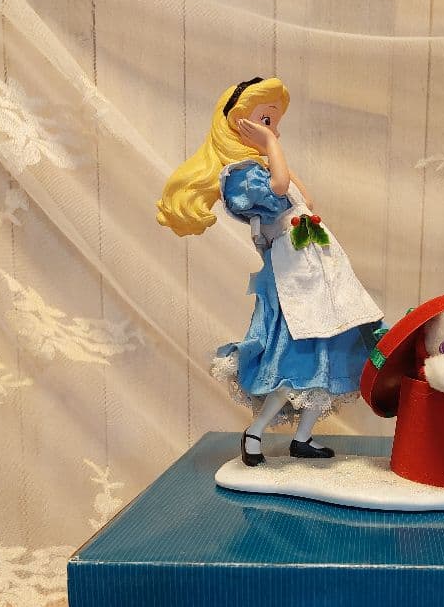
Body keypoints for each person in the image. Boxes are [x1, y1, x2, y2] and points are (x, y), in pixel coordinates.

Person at [156, 76, 383, 465]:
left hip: (319, 271)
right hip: (293, 276)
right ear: (238, 124)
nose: (272, 130)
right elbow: (278, 189)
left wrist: (272, 150)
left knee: (328, 351)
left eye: (274, 123)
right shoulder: (239, 175)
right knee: (293, 357)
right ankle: (255, 432)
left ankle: (303, 438)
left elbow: (305, 199)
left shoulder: (264, 164)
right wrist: (270, 147)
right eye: (265, 120)